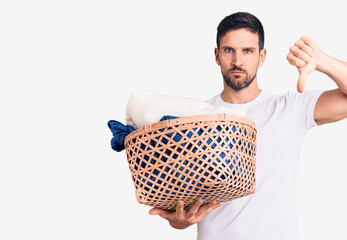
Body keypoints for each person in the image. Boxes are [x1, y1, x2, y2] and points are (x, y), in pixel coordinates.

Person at [148, 12, 347, 239]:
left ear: (262, 56)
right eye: (229, 50)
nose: (238, 62)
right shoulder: (194, 120)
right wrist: (179, 220)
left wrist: (322, 61)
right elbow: (181, 204)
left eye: (248, 51)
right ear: (216, 55)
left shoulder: (291, 108)